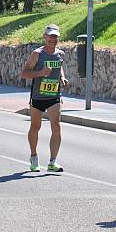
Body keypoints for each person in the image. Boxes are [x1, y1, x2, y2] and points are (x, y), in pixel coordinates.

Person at [20, 24, 69, 172]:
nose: (53, 39)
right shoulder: (37, 54)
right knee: (36, 127)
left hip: (54, 95)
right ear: (45, 37)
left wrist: (62, 77)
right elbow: (24, 73)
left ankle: (52, 162)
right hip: (38, 96)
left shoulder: (60, 54)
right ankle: (34, 157)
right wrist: (40, 73)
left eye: (55, 36)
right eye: (50, 36)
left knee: (56, 124)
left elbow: (59, 66)